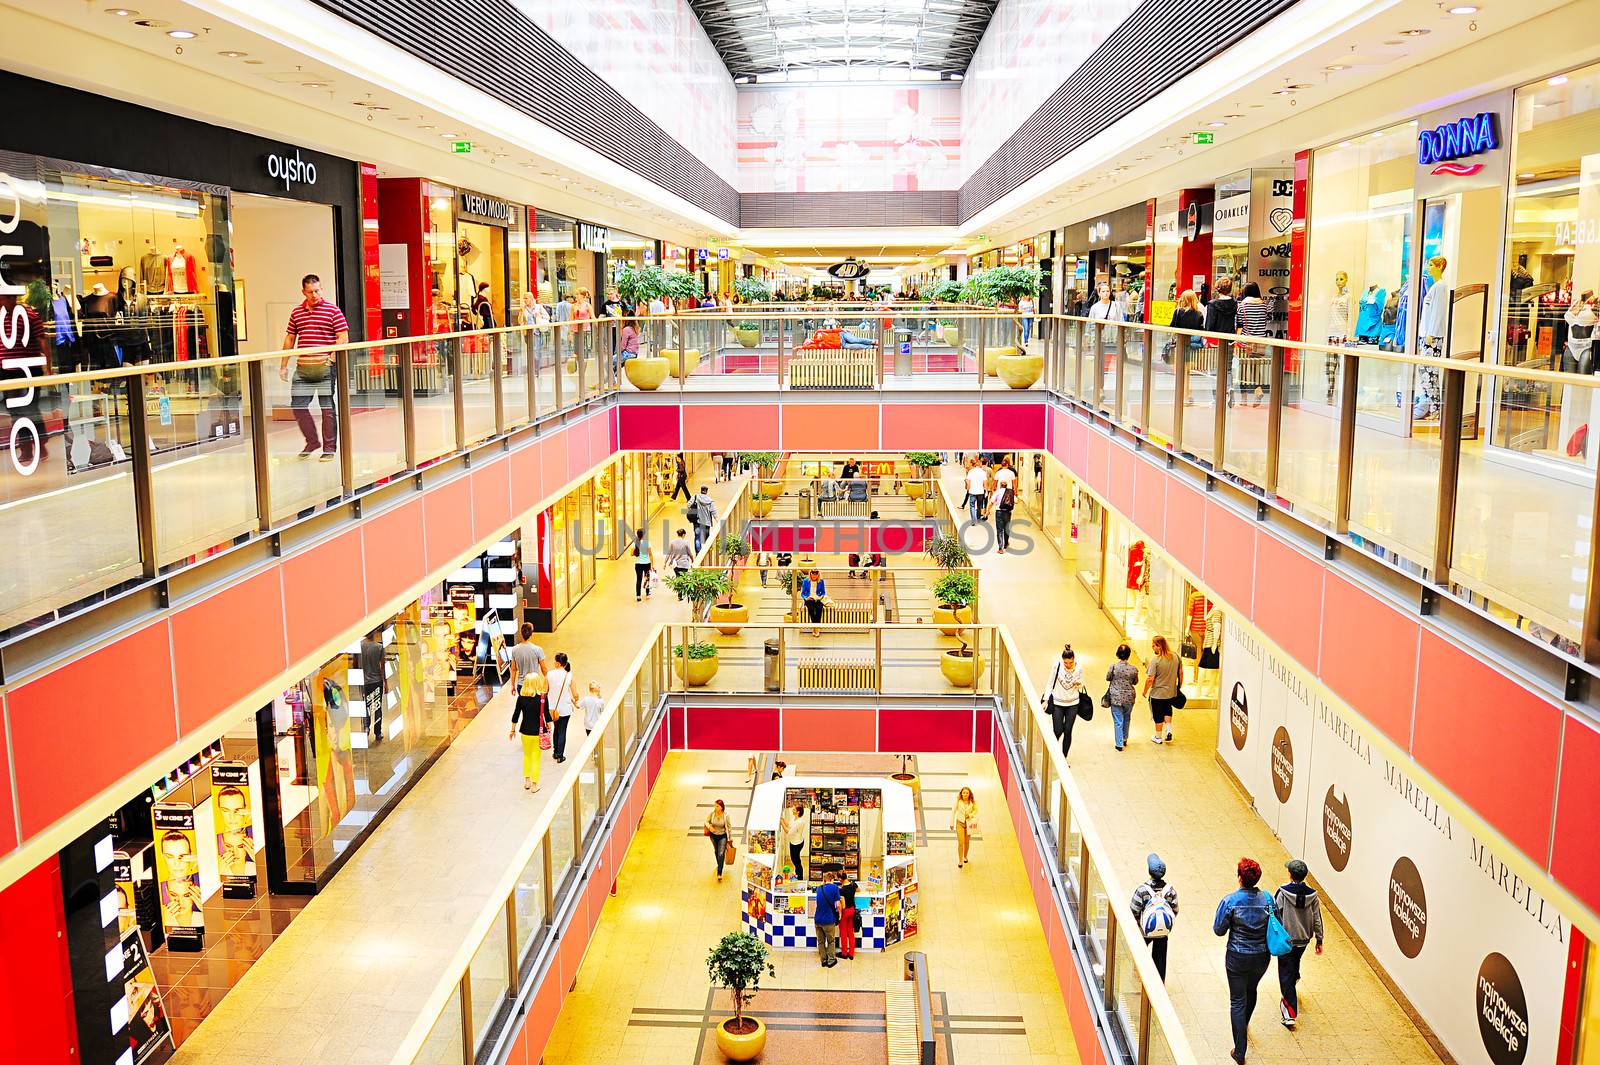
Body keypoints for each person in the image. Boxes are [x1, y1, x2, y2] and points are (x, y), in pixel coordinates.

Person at [280, 273, 349, 460]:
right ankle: (312, 442)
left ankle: (329, 449)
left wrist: (331, 360)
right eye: (310, 292)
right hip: (303, 368)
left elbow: (343, 337)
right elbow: (290, 339)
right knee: (298, 406)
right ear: (303, 292)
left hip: (325, 367)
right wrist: (283, 365)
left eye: (317, 291)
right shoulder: (296, 312)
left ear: (321, 289)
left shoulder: (333, 311)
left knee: (327, 408)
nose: (314, 295)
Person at [1214, 858, 1274, 1064]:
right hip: (1261, 957)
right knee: (1252, 990)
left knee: (1237, 1001)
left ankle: (1240, 1050)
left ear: (1239, 878)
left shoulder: (1230, 901)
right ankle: (1244, 1025)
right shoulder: (1268, 899)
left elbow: (1218, 930)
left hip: (1237, 957)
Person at [1274, 859, 1324, 1028]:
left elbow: (1275, 914)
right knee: (1294, 963)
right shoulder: (1313, 895)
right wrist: (1319, 939)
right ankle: (1295, 976)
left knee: (1284, 974)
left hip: (1287, 940)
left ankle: (1289, 1013)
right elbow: (1317, 917)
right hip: (1303, 940)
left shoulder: (1282, 893)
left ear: (1290, 874)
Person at [508, 624, 548, 792]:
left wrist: (512, 684)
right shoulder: (537, 650)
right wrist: (546, 682)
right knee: (535, 757)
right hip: (536, 684)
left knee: (524, 708)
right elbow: (544, 669)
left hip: (522, 686)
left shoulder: (515, 650)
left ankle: (526, 779)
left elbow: (514, 669)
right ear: (531, 634)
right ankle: (535, 783)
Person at [1131, 853, 1179, 981]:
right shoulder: (1170, 890)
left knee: (1139, 953)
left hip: (1145, 932)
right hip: (1162, 933)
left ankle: (1140, 977)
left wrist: (1140, 927)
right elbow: (1175, 910)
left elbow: (1133, 910)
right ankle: (1159, 982)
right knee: (1160, 959)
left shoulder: (1142, 890)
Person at [1045, 645, 1085, 760]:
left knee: (1068, 731)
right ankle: (1051, 751)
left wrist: (1079, 684)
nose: (1068, 665)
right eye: (1066, 663)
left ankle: (1063, 758)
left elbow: (1082, 684)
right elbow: (1050, 682)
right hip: (1058, 702)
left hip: (1073, 703)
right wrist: (1046, 700)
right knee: (1057, 730)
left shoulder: (1079, 668)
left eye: (1070, 663)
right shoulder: (1057, 666)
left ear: (1074, 660)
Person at [1143, 635, 1183, 745]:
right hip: (1171, 692)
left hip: (1157, 693)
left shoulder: (1155, 660)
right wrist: (1178, 687)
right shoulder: (1175, 656)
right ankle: (1169, 730)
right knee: (1167, 710)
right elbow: (1180, 672)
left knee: (1158, 714)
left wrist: (1145, 691)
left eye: (1154, 646)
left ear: (1159, 646)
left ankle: (1158, 736)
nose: (1152, 648)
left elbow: (1150, 679)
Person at [1237, 281, 1271, 406]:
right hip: (1261, 341)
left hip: (1246, 342)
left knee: (1243, 370)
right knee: (1256, 368)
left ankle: (1244, 399)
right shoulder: (1264, 305)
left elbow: (1239, 324)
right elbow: (1266, 320)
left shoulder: (1242, 306)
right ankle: (1258, 392)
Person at [1170, 290, 1206, 405]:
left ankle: (1180, 396)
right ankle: (1187, 395)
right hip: (1192, 347)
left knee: (1179, 372)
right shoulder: (1198, 314)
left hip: (1180, 345)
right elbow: (1200, 331)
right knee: (1188, 373)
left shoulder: (1177, 312)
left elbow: (1172, 327)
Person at [1105, 643, 1140, 752]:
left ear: (1118, 654)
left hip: (1115, 697)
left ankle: (1119, 743)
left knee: (1118, 720)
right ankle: (1125, 738)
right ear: (1129, 655)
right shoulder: (1134, 669)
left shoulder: (1113, 667)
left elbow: (1108, 678)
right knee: (1127, 718)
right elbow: (1135, 682)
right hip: (1129, 697)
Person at [546, 652, 575, 763]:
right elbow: (575, 693)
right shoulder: (569, 675)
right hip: (565, 707)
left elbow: (544, 690)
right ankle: (560, 755)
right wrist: (574, 699)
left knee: (556, 729)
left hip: (553, 708)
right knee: (562, 730)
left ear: (558, 663)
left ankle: (555, 751)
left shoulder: (549, 674)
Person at [814, 870, 843, 968]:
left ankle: (823, 960)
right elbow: (837, 904)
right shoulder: (835, 888)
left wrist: (824, 882)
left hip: (817, 919)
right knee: (831, 941)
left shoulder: (819, 888)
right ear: (832, 879)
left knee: (821, 941)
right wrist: (840, 913)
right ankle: (831, 960)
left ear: (824, 880)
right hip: (829, 919)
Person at [951, 786, 977, 867]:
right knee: (961, 842)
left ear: (969, 794)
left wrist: (970, 815)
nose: (965, 794)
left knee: (967, 842)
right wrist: (951, 823)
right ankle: (960, 860)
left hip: (968, 824)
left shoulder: (972, 802)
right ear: (961, 793)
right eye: (964, 792)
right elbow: (953, 811)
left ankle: (965, 856)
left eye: (967, 793)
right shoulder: (958, 801)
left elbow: (975, 810)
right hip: (960, 823)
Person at [780, 801, 807, 880]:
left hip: (797, 844)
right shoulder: (794, 818)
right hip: (793, 842)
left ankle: (800, 878)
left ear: (798, 812)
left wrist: (781, 823)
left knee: (796, 861)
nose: (792, 810)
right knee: (794, 859)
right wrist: (782, 819)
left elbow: (788, 831)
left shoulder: (800, 822)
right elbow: (788, 824)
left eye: (794, 810)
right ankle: (797, 874)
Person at [706, 798, 731, 881]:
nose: (715, 807)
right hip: (713, 836)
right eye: (715, 806)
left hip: (722, 836)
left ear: (721, 807)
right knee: (716, 851)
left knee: (721, 853)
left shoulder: (726, 815)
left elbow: (729, 827)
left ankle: (719, 872)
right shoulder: (712, 814)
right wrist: (710, 827)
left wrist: (730, 837)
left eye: (717, 806)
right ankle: (719, 864)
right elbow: (706, 821)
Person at [988, 481, 1016, 553]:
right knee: (1006, 528)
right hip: (1007, 512)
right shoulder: (1010, 492)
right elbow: (1016, 501)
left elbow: (992, 502)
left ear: (1000, 485)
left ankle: (1000, 548)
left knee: (999, 530)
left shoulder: (998, 492)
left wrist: (988, 511)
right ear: (1006, 486)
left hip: (999, 512)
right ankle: (1006, 544)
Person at [666, 527, 695, 594]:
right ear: (683, 534)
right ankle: (682, 592)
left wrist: (665, 563)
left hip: (676, 564)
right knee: (683, 578)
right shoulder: (686, 542)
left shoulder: (672, 542)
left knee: (678, 577)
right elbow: (690, 553)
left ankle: (680, 593)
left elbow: (669, 553)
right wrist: (692, 560)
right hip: (684, 563)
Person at [689, 485, 717, 552]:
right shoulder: (710, 501)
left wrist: (694, 509)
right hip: (707, 522)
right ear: (706, 491)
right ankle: (706, 551)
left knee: (697, 537)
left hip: (697, 521)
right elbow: (714, 511)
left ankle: (698, 552)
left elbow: (689, 505)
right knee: (706, 538)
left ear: (701, 490)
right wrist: (717, 520)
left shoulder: (695, 497)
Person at [838, 871, 859, 960]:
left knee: (843, 932)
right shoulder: (853, 885)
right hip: (852, 910)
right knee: (851, 932)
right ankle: (851, 953)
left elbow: (843, 905)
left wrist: (840, 913)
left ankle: (844, 953)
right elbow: (859, 890)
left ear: (840, 879)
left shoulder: (841, 890)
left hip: (845, 912)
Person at [800, 568, 827, 636]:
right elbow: (802, 593)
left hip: (818, 599)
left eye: (816, 575)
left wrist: (820, 597)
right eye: (813, 575)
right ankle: (815, 627)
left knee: (819, 609)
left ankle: (816, 627)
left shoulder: (821, 581)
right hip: (809, 599)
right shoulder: (806, 581)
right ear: (810, 574)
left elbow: (823, 592)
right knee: (811, 609)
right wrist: (806, 598)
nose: (814, 576)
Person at [964, 458, 990, 524]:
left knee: (972, 505)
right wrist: (986, 491)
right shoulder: (983, 472)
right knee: (979, 506)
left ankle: (973, 520)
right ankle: (978, 519)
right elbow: (985, 483)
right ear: (980, 465)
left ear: (975, 465)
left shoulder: (971, 472)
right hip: (980, 492)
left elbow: (967, 480)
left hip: (972, 491)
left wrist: (968, 488)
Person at [632, 528, 654, 602]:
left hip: (638, 564)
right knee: (647, 578)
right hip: (647, 563)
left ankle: (638, 595)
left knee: (639, 579)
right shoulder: (647, 543)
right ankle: (647, 593)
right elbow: (650, 554)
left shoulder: (635, 543)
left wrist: (636, 551)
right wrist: (652, 565)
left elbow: (631, 554)